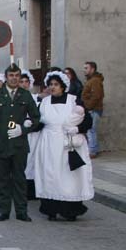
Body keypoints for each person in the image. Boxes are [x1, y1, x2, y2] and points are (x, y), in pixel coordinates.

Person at [34, 71, 94, 221]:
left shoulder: (74, 101)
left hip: (67, 145)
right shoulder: (45, 103)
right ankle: (51, 209)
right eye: (51, 85)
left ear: (63, 86)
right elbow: (38, 122)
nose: (53, 87)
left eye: (56, 85)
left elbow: (87, 121)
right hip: (48, 145)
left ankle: (69, 210)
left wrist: (77, 129)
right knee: (50, 175)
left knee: (68, 177)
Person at [0, 64, 40, 222]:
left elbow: (36, 118)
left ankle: (21, 211)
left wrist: (24, 129)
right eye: (11, 75)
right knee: (2, 180)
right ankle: (3, 211)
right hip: (1, 144)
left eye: (17, 75)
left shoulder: (25, 95)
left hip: (19, 145)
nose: (14, 78)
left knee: (19, 179)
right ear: (6, 77)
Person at [21, 70, 41, 200]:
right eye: (21, 82)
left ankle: (33, 189)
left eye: (26, 81)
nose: (23, 84)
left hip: (34, 136)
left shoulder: (36, 99)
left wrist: (33, 124)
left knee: (33, 161)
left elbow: (40, 117)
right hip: (20, 135)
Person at [81, 61, 104, 159]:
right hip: (92, 109)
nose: (84, 70)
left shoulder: (95, 81)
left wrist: (88, 106)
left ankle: (93, 151)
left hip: (93, 109)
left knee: (91, 130)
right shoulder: (91, 80)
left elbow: (97, 95)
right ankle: (93, 149)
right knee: (90, 130)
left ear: (92, 69)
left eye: (86, 68)